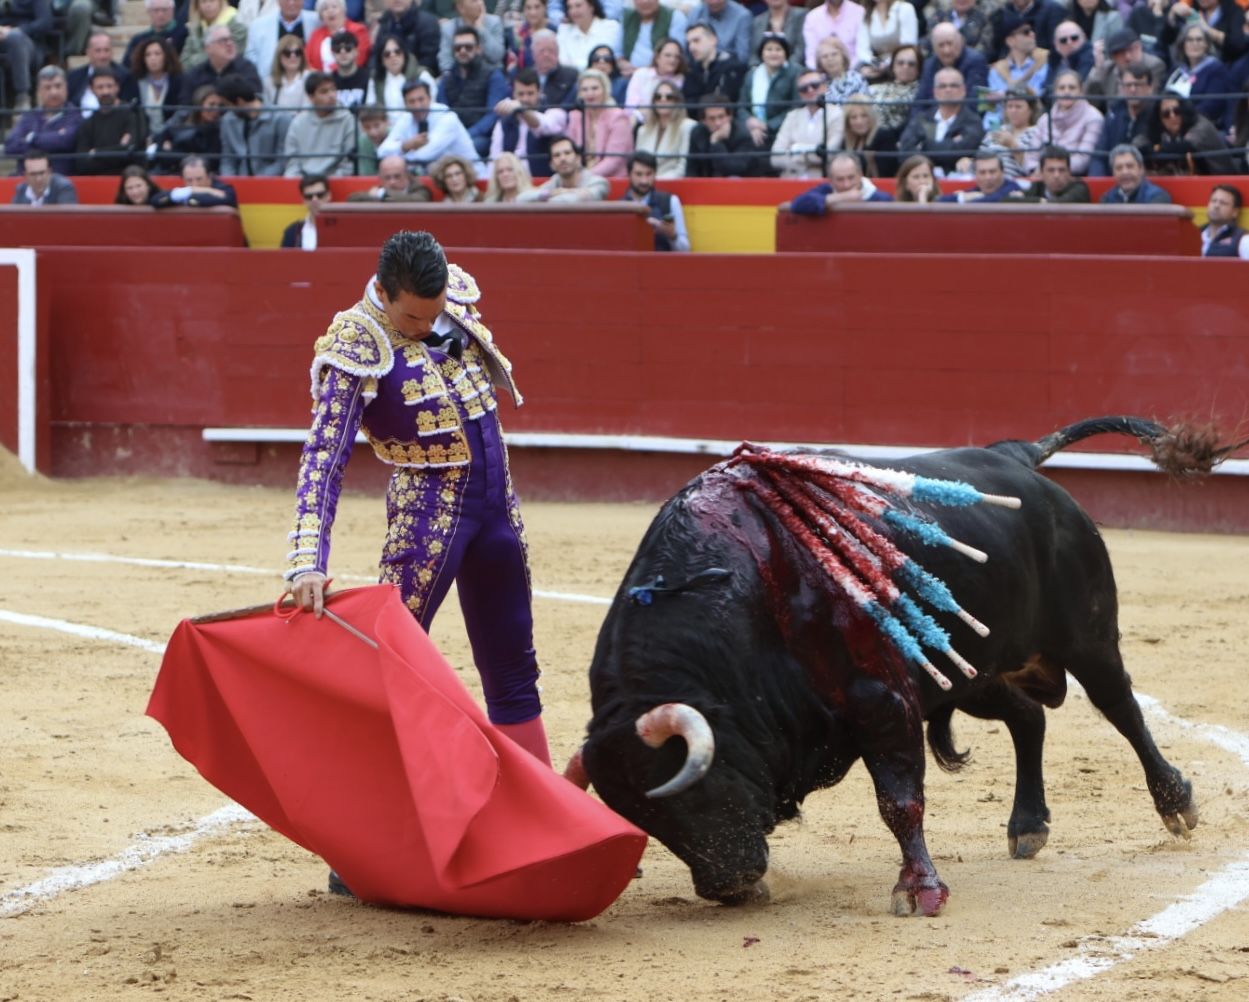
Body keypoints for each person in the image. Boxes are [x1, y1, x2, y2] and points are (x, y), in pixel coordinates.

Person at [283, 234, 554, 857]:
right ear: (382, 293)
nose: (429, 328)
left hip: (497, 511)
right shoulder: (356, 342)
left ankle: (543, 822)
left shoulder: (446, 295)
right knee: (391, 680)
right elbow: (322, 460)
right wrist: (306, 560)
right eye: (414, 318)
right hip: (427, 520)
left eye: (434, 315)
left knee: (514, 669)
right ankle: (362, 844)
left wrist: (436, 323)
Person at [897, 67, 985, 176]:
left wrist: (924, 145)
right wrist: (947, 146)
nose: (948, 90)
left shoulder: (973, 121)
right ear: (935, 92)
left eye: (954, 85)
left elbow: (959, 151)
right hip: (921, 178)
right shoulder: (922, 118)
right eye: (942, 86)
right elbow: (905, 150)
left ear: (963, 90)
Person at [438, 25, 510, 158]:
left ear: (478, 49)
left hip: (482, 137)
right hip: (451, 135)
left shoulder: (493, 76)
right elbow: (441, 112)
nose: (463, 51)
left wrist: (464, 135)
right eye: (458, 48)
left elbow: (492, 115)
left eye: (468, 47)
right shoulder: (447, 79)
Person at [378, 79, 480, 171]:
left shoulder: (448, 117)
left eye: (421, 99)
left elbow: (424, 155)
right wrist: (405, 145)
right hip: (432, 180)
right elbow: (381, 151)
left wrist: (397, 157)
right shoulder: (406, 118)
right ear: (405, 104)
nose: (417, 106)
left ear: (430, 98)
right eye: (412, 101)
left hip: (472, 178)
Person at [3, 66, 82, 174]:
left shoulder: (76, 115)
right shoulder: (29, 116)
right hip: (26, 181)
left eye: (58, 86)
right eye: (47, 87)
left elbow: (65, 141)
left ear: (66, 88)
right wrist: (51, 141)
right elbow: (10, 146)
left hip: (60, 178)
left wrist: (32, 138)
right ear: (39, 91)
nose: (54, 92)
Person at [490, 67, 567, 176]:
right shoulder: (503, 123)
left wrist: (521, 109)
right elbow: (494, 160)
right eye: (521, 94)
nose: (525, 99)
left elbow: (543, 125)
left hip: (544, 182)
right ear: (513, 95)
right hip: (513, 184)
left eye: (530, 93)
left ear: (540, 93)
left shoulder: (555, 113)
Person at [1136, 91, 1236, 175]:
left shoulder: (1201, 124)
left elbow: (1186, 146)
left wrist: (1154, 149)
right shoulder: (1158, 131)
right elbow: (1138, 144)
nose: (1173, 116)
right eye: (1166, 114)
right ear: (1159, 119)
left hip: (1222, 179)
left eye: (1177, 111)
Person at [770, 67, 844, 178]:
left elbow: (829, 154)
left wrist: (796, 150)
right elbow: (775, 157)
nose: (810, 90)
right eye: (803, 88)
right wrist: (813, 152)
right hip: (791, 180)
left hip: (821, 181)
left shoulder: (837, 114)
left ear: (824, 87)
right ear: (800, 94)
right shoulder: (792, 116)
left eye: (815, 85)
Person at [1024, 70, 1101, 174]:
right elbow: (1031, 157)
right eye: (1062, 88)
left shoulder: (1093, 118)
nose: (1066, 92)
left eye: (1072, 88)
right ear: (1055, 92)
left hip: (1074, 179)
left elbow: (1083, 159)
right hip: (1040, 177)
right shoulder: (1045, 119)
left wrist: (1051, 170)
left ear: (1081, 91)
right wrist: (1037, 170)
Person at [283, 73, 356, 176]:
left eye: (333, 89)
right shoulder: (298, 122)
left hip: (336, 181)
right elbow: (292, 162)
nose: (331, 95)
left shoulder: (348, 120)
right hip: (303, 182)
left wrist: (331, 182)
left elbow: (349, 162)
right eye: (324, 92)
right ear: (311, 97)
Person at [566, 66, 634, 176]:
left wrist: (584, 177)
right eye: (584, 89)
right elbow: (570, 152)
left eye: (594, 88)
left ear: (605, 90)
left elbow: (613, 161)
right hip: (580, 178)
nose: (589, 93)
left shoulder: (618, 117)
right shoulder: (576, 117)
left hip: (612, 180)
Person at [74, 69, 144, 175]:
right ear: (91, 89)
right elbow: (82, 164)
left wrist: (96, 153)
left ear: (117, 87)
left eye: (109, 86)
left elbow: (131, 150)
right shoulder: (87, 124)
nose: (105, 91)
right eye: (100, 87)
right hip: (98, 181)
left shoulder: (133, 113)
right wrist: (119, 149)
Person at [218, 73, 290, 175]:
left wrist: (258, 183)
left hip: (271, 183)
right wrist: (229, 183)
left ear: (239, 101)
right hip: (240, 183)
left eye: (227, 105)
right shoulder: (228, 121)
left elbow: (282, 160)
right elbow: (227, 159)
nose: (226, 109)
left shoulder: (281, 118)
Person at [1088, 62, 1150, 176]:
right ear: (1121, 87)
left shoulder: (1157, 114)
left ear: (1149, 88)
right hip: (1112, 180)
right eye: (1128, 85)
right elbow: (1099, 155)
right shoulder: (1114, 113)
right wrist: (1098, 183)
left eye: (1138, 85)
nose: (1132, 89)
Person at [738, 33, 799, 149]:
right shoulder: (751, 75)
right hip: (752, 130)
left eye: (778, 49)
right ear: (762, 53)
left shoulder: (795, 73)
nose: (773, 53)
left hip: (781, 131)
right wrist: (750, 122)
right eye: (769, 49)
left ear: (785, 53)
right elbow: (741, 106)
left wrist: (767, 126)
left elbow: (795, 107)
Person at [786, 150, 895, 214]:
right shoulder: (826, 190)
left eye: (851, 177)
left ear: (860, 174)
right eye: (840, 179)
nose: (846, 184)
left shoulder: (881, 198)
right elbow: (797, 204)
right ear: (831, 180)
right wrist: (841, 197)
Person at [621, 150, 690, 251]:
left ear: (655, 174)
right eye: (639, 174)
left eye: (649, 174)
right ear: (629, 174)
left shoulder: (671, 201)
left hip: (663, 265)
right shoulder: (619, 206)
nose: (644, 181)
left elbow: (685, 250)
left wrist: (672, 236)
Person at [151, 83, 227, 173]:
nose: (216, 110)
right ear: (199, 104)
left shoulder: (219, 129)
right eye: (211, 104)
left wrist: (176, 151)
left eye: (219, 106)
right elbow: (160, 138)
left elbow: (212, 161)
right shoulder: (181, 118)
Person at [1169, 23, 1234, 130]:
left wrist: (1181, 118)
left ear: (1207, 44)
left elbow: (1211, 107)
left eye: (1199, 40)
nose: (1194, 44)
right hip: (1171, 122)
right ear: (1183, 44)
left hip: (1200, 127)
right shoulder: (1177, 69)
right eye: (1189, 40)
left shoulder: (1216, 69)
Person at [686, 90, 764, 176]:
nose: (717, 123)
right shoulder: (697, 132)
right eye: (712, 118)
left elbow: (732, 169)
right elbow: (691, 169)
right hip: (707, 185)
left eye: (721, 117)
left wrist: (716, 142)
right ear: (704, 121)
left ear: (730, 116)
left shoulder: (743, 135)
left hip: (739, 184)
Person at [633, 79, 697, 177]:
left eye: (669, 97)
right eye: (658, 97)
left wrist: (655, 181)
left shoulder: (687, 126)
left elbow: (682, 169)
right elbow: (637, 165)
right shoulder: (643, 130)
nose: (663, 100)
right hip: (644, 186)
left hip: (674, 186)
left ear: (677, 101)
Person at [244, 0, 320, 83]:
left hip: (310, 87)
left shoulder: (317, 21)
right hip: (272, 88)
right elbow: (250, 62)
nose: (291, 2)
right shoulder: (258, 26)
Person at [369, 33, 435, 126]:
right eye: (387, 54)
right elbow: (371, 109)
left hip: (416, 127)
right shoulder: (376, 79)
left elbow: (432, 107)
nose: (393, 56)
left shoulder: (422, 75)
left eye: (397, 52)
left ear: (404, 54)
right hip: (386, 131)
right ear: (382, 60)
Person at [123, 37, 185, 138]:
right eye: (148, 55)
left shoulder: (178, 81)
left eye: (157, 54)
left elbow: (182, 111)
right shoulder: (134, 81)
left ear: (166, 56)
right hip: (141, 137)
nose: (153, 58)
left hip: (171, 136)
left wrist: (165, 133)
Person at [915, 22, 989, 105]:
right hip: (934, 116)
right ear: (934, 48)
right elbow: (920, 102)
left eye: (950, 44)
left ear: (960, 42)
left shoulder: (976, 61)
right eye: (941, 45)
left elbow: (978, 103)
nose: (947, 50)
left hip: (967, 116)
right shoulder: (928, 65)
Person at [984, 12, 1048, 108]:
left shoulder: (1044, 64)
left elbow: (1041, 101)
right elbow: (992, 109)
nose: (1032, 34)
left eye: (1032, 30)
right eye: (1026, 32)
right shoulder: (997, 71)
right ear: (1010, 41)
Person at [517, 133, 610, 199]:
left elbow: (568, 201)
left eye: (567, 153)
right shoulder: (554, 182)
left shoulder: (598, 182)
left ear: (578, 159)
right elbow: (521, 198)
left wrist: (561, 192)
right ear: (551, 165)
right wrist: (551, 193)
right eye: (557, 155)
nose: (562, 158)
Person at [1086, 28, 1166, 102]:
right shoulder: (1108, 69)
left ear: (1139, 47)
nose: (1128, 57)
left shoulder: (1155, 65)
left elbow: (1149, 100)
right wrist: (1097, 70)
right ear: (1113, 57)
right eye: (1121, 53)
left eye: (1131, 49)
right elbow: (1091, 102)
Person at [183, 24, 264, 96]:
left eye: (230, 39)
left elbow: (255, 100)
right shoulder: (195, 75)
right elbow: (184, 108)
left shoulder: (247, 69)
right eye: (223, 40)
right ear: (208, 48)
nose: (229, 43)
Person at [683, 22, 746, 106]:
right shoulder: (691, 70)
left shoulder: (731, 67)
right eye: (689, 43)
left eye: (696, 41)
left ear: (713, 40)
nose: (691, 47)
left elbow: (725, 101)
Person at [855, 0, 918, 82]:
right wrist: (876, 64)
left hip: (902, 67)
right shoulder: (867, 14)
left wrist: (888, 64)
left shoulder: (905, 9)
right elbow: (862, 50)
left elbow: (908, 44)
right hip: (877, 67)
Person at [68, 31, 132, 112]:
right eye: (98, 51)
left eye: (106, 50)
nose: (103, 56)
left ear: (112, 51)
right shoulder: (74, 77)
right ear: (88, 52)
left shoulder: (125, 76)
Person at [375, 0, 439, 79]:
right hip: (389, 80)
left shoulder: (427, 23)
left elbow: (429, 61)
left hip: (417, 81)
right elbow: (376, 56)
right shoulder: (384, 23)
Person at [621, 0, 687, 77]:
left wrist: (643, 71)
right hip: (629, 75)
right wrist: (623, 64)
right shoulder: (626, 17)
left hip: (662, 77)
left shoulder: (674, 17)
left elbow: (676, 55)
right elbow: (618, 55)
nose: (645, 1)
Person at [986, 0, 1065, 63]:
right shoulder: (1000, 14)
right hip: (1008, 66)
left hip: (1043, 65)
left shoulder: (1052, 10)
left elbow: (1057, 48)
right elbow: (995, 50)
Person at [181, 0, 249, 71]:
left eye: (212, 1)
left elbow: (224, 58)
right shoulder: (196, 27)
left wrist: (193, 59)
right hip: (197, 79)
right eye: (203, 2)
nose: (208, 5)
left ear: (221, 2)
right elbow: (184, 63)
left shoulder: (237, 25)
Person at [439, 0, 504, 74]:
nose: (480, 3)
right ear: (461, 8)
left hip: (490, 75)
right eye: (474, 1)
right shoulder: (448, 28)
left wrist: (481, 29)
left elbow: (496, 57)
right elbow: (446, 62)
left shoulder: (494, 22)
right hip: (460, 76)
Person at [841, 93, 898, 177]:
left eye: (864, 116)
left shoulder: (884, 137)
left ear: (871, 116)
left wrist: (871, 164)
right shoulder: (845, 142)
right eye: (854, 117)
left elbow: (886, 175)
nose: (859, 122)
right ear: (847, 122)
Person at [151, 153, 239, 206]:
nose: (195, 184)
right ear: (183, 179)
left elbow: (226, 200)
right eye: (189, 180)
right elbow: (156, 200)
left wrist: (186, 195)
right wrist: (207, 191)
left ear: (209, 176)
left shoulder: (226, 189)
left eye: (199, 179)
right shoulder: (185, 191)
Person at [869, 43, 921, 132]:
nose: (905, 67)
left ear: (918, 69)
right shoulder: (874, 88)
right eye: (900, 63)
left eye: (911, 64)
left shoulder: (920, 92)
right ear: (893, 66)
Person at [802, 0, 865, 73]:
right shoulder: (812, 17)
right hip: (823, 74)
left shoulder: (859, 12)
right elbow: (811, 56)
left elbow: (861, 51)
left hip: (855, 70)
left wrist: (848, 70)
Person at [307, 0, 369, 72]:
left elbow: (359, 59)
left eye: (334, 7)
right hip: (319, 80)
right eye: (325, 8)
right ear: (321, 16)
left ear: (343, 10)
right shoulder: (316, 34)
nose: (330, 11)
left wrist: (331, 73)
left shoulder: (358, 31)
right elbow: (307, 61)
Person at [937, 149, 1022, 201]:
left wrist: (963, 198)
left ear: (1002, 172)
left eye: (992, 171)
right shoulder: (977, 190)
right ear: (975, 175)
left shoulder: (1012, 187)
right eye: (982, 172)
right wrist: (963, 197)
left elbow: (992, 200)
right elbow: (940, 200)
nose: (988, 177)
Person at [1099, 143, 1171, 203]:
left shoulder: (1158, 197)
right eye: (1119, 168)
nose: (1125, 172)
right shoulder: (1107, 199)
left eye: (1130, 166)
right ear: (1113, 173)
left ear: (1141, 169)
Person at [1015, 144, 1091, 201]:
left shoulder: (1079, 188)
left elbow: (1061, 205)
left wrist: (1037, 202)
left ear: (1069, 172)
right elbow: (1009, 200)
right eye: (1051, 170)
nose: (1056, 175)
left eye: (1062, 170)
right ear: (1041, 173)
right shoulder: (1036, 187)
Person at [689, 0, 752, 66]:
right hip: (697, 68)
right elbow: (687, 49)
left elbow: (742, 57)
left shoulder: (742, 16)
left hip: (728, 68)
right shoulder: (696, 12)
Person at [348, 153, 433, 200]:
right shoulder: (379, 189)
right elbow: (352, 199)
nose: (392, 181)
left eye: (397, 176)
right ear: (381, 178)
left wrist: (381, 195)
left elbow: (419, 200)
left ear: (407, 175)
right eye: (387, 177)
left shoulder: (420, 189)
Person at [530, 28, 579, 109]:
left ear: (558, 52)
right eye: (541, 51)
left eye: (551, 50)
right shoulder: (524, 75)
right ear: (533, 53)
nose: (546, 54)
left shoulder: (571, 75)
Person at [10, 150, 78, 205]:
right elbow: (13, 220)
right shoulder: (21, 190)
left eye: (42, 173)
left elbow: (67, 219)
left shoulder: (63, 187)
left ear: (50, 172)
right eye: (33, 174)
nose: (38, 179)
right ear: (25, 175)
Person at [749, 0, 804, 69]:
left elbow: (800, 49)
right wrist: (756, 68)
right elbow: (754, 53)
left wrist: (786, 69)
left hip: (793, 71)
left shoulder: (801, 16)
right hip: (763, 72)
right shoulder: (757, 21)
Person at [281, 172, 331, 247]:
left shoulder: (343, 229)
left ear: (328, 196)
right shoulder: (292, 232)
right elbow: (284, 258)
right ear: (303, 200)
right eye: (309, 197)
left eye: (320, 195)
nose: (314, 200)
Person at [1200, 183, 1249, 258]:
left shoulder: (1243, 240)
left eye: (1223, 203)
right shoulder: (1193, 234)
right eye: (1213, 201)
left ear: (1235, 212)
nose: (1216, 206)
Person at [814, 35, 867, 104]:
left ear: (843, 56)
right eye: (825, 56)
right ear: (819, 62)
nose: (830, 59)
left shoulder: (857, 78)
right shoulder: (817, 83)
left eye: (834, 54)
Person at [264, 33, 312, 109]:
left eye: (297, 52)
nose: (293, 56)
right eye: (287, 53)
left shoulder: (310, 79)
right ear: (279, 57)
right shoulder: (269, 82)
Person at [328, 29, 370, 107]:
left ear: (356, 52)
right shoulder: (328, 81)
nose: (343, 52)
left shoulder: (369, 78)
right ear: (333, 54)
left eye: (348, 48)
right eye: (338, 49)